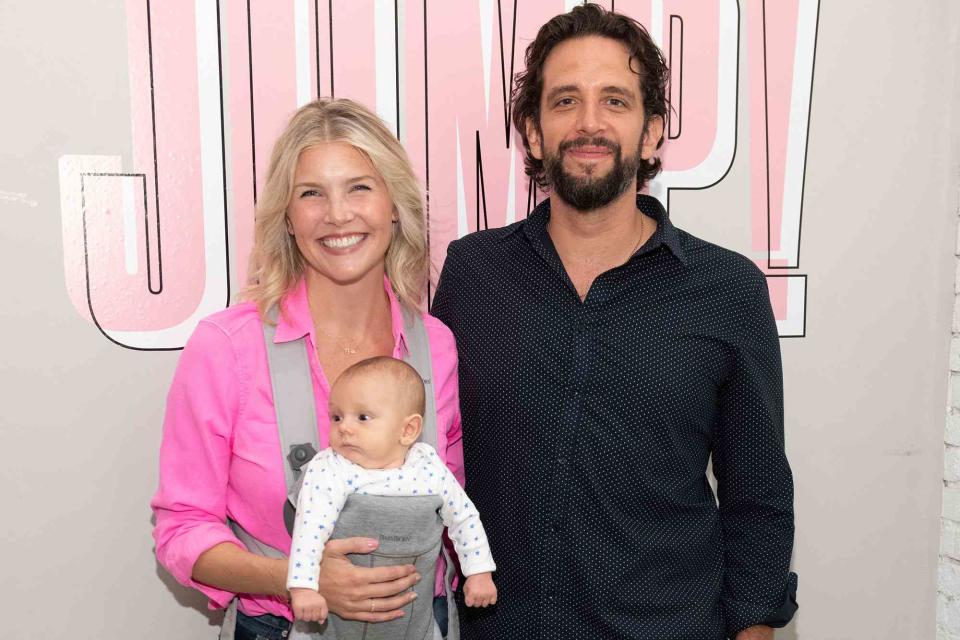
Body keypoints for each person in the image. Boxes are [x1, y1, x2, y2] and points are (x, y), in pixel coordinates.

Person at [430, 4, 797, 640]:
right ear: (535, 132)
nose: (590, 123)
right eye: (566, 100)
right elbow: (433, 456)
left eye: (616, 102)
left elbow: (757, 492)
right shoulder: (474, 273)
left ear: (653, 132)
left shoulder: (727, 288)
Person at [152, 98, 465, 640]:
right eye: (311, 193)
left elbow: (449, 504)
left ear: (394, 205)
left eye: (360, 187)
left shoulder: (435, 346)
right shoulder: (226, 347)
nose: (338, 214)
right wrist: (293, 577)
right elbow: (181, 528)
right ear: (289, 219)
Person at [287, 356, 497, 629]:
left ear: (408, 430)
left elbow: (464, 517)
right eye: (337, 417)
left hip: (412, 619)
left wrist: (479, 572)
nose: (345, 428)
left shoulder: (427, 467)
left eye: (363, 417)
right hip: (336, 623)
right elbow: (309, 529)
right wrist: (303, 587)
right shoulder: (330, 468)